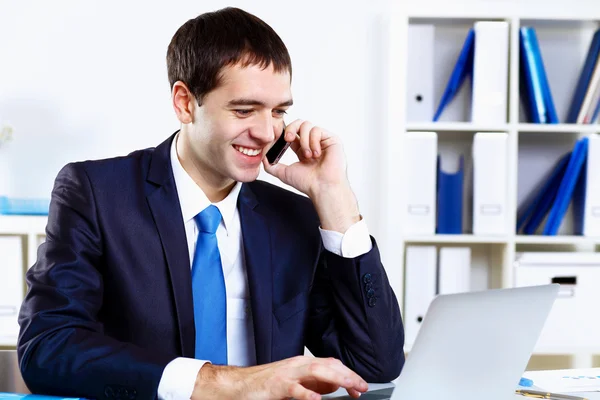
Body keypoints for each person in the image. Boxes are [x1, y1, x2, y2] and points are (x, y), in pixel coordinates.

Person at [17, 7, 404, 400]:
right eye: (244, 110)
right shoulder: (97, 193)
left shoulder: (294, 216)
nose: (268, 131)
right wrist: (223, 383)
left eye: (279, 111)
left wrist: (334, 198)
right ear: (185, 103)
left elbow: (374, 365)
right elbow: (47, 348)